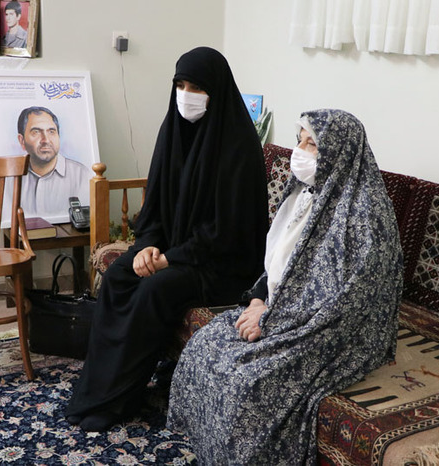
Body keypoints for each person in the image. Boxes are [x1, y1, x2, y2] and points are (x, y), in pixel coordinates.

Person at [167, 109, 404, 464]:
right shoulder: (303, 193)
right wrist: (258, 300)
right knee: (205, 346)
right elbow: (278, 263)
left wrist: (270, 319)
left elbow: (348, 302)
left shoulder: (365, 216)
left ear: (339, 152)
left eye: (312, 144)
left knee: (248, 380)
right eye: (299, 141)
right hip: (280, 307)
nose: (300, 151)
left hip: (332, 327)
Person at [65, 47, 269, 433]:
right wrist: (147, 246)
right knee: (120, 275)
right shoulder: (172, 130)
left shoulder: (239, 146)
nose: (186, 95)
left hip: (222, 265)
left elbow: (226, 233)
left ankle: (119, 398)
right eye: (181, 85)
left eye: (197, 87)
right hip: (176, 253)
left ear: (217, 91)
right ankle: (97, 388)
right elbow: (154, 207)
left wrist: (168, 259)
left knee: (155, 289)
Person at [15, 106, 91, 218]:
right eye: (36, 132)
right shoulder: (8, 178)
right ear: (22, 141)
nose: (46, 140)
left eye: (51, 132)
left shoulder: (82, 175)